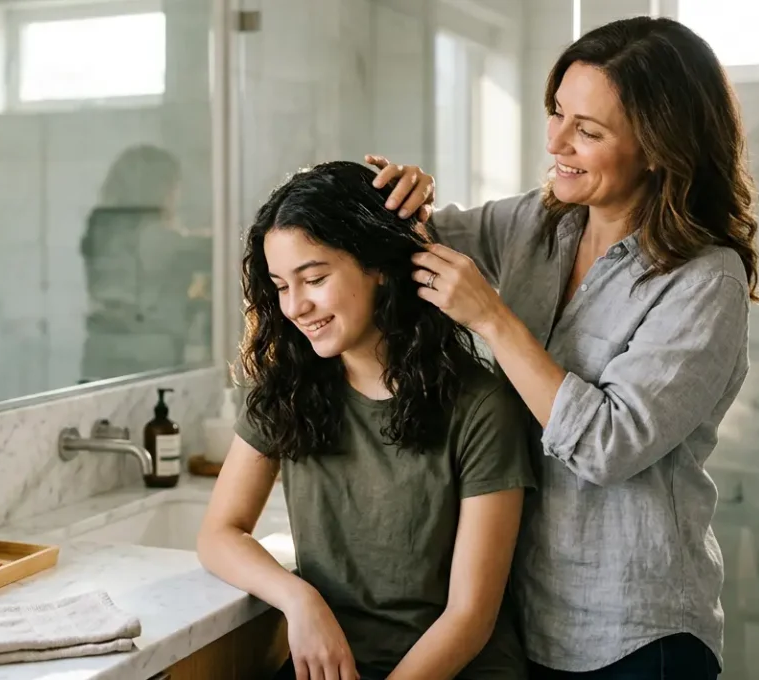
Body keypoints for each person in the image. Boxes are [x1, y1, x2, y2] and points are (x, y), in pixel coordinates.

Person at [369, 16, 759, 679]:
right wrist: (397, 195)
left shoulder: (705, 278)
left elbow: (610, 445)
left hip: (639, 636)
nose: (555, 141)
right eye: (557, 113)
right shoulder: (537, 224)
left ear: (659, 148)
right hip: (527, 620)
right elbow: (404, 247)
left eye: (588, 130)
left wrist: (492, 319)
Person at [196, 161, 536, 680]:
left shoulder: (480, 405)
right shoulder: (287, 386)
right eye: (281, 285)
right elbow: (220, 532)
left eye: (314, 278)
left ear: (378, 266)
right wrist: (299, 600)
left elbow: (469, 618)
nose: (296, 306)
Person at [79, 145, 212, 382]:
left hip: (99, 351)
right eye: (175, 185)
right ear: (159, 188)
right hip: (147, 361)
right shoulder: (153, 236)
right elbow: (215, 250)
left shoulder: (102, 226)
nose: (178, 194)